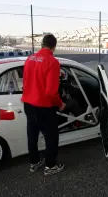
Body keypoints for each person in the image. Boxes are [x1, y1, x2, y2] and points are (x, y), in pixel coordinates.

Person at [22, 34, 66, 176]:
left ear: (42, 44)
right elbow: (51, 93)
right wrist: (61, 104)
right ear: (54, 46)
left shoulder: (30, 59)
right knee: (51, 137)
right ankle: (51, 166)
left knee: (32, 135)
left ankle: (34, 162)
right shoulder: (52, 62)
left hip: (28, 104)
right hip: (44, 107)